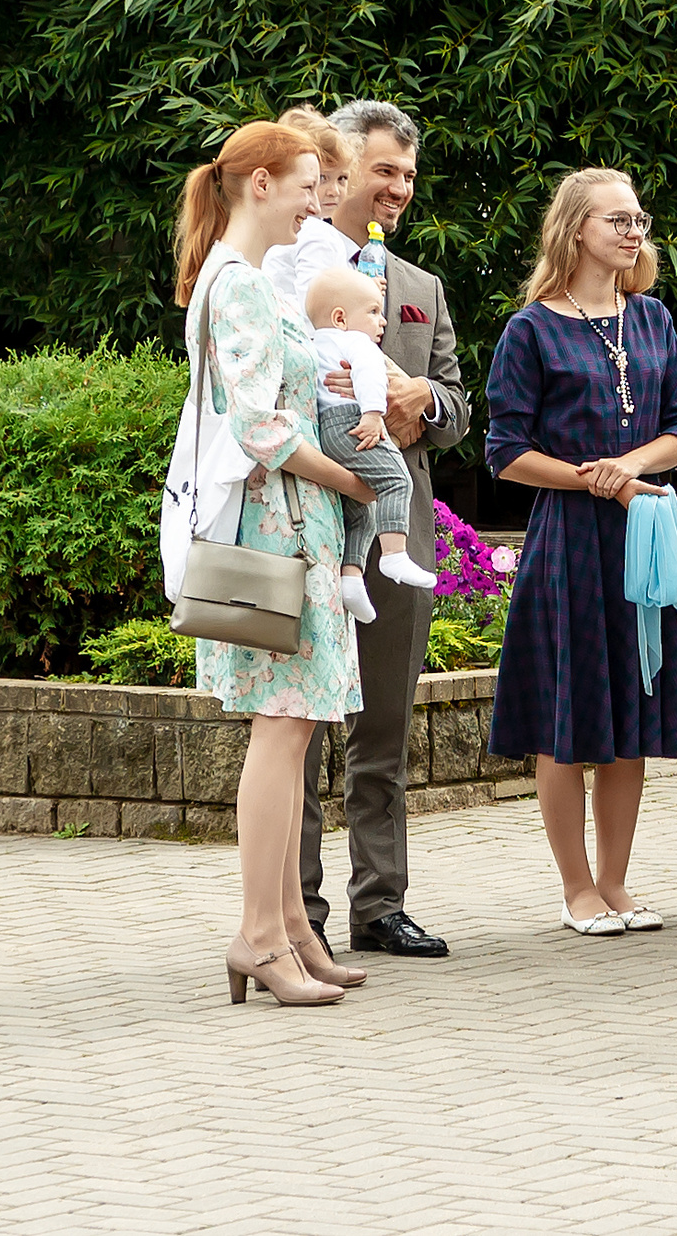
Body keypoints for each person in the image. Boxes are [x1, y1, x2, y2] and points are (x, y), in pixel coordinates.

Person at [161, 120, 379, 1006]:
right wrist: (351, 479)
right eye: (304, 184)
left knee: (296, 730)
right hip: (277, 525)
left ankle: (291, 925)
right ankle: (259, 932)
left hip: (292, 521)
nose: (315, 201)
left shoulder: (243, 280)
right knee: (282, 728)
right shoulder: (242, 285)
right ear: (259, 184)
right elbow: (259, 426)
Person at [486, 170, 677, 934]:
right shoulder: (532, 328)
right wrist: (597, 482)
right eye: (618, 218)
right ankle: (576, 887)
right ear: (576, 227)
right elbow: (506, 451)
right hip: (571, 542)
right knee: (568, 718)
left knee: (632, 707)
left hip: (646, 530)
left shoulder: (651, 318)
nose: (633, 230)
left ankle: (616, 883)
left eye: (639, 218)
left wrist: (635, 468)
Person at [298, 100, 470, 961]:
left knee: (383, 731)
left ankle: (381, 904)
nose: (398, 188)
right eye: (383, 171)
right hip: (305, 522)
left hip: (399, 536)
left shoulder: (421, 288)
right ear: (338, 169)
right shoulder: (290, 269)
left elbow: (458, 407)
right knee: (298, 728)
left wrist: (421, 400)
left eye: (408, 174)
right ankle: (299, 911)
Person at [303, 268, 435, 620]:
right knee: (396, 480)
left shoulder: (310, 342)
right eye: (374, 312)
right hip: (354, 423)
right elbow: (371, 375)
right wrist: (374, 415)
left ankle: (351, 578)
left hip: (324, 434)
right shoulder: (356, 342)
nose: (382, 322)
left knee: (360, 510)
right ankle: (394, 556)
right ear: (341, 318)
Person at [263, 110, 360, 312]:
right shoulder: (317, 233)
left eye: (342, 178)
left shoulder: (276, 228)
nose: (334, 191)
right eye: (323, 178)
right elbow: (315, 307)